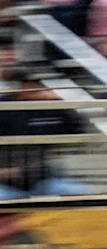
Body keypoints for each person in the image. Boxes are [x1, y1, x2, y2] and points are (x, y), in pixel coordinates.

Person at [0, 66, 87, 200]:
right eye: (27, 83)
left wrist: (61, 102)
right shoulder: (4, 106)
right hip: (6, 181)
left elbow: (77, 129)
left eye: (37, 83)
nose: (34, 87)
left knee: (76, 191)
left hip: (41, 179)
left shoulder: (48, 106)